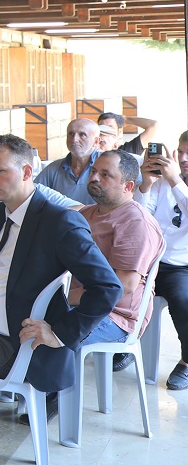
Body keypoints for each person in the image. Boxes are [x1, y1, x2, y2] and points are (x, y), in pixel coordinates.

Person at [0, 135, 121, 407]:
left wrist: (60, 333)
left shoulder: (59, 223)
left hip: (10, 343)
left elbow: (108, 287)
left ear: (27, 172)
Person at [69, 150, 163, 372]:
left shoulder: (135, 222)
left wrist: (67, 296)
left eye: (105, 175)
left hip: (115, 316)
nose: (94, 178)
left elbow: (123, 286)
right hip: (79, 304)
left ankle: (49, 402)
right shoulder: (87, 213)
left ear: (128, 186)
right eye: (93, 172)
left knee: (52, 337)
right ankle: (20, 393)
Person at [139, 132, 188, 389]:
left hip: (182, 265)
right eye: (180, 152)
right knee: (119, 285)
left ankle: (187, 361)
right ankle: (126, 341)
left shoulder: (173, 181)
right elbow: (139, 217)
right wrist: (145, 184)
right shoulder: (161, 183)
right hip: (153, 258)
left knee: (183, 299)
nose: (182, 158)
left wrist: (175, 181)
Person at [35, 118, 102, 205]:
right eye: (71, 134)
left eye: (82, 135)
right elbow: (32, 193)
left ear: (96, 141)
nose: (74, 139)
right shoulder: (53, 169)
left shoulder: (107, 165)